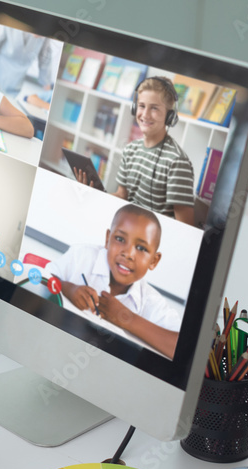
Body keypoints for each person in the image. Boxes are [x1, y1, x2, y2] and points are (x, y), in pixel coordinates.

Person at [47, 204, 181, 358]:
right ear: (107, 239)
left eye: (141, 248)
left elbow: (180, 348)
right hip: (57, 344)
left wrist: (126, 318)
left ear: (154, 261)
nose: (128, 254)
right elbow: (37, 278)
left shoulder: (151, 301)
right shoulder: (82, 256)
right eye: (119, 239)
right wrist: (66, 288)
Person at [74, 76, 196, 226]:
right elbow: (122, 195)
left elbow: (185, 227)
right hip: (127, 225)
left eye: (154, 108)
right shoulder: (130, 150)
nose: (145, 114)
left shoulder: (177, 162)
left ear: (170, 116)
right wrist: (96, 195)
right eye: (142, 106)